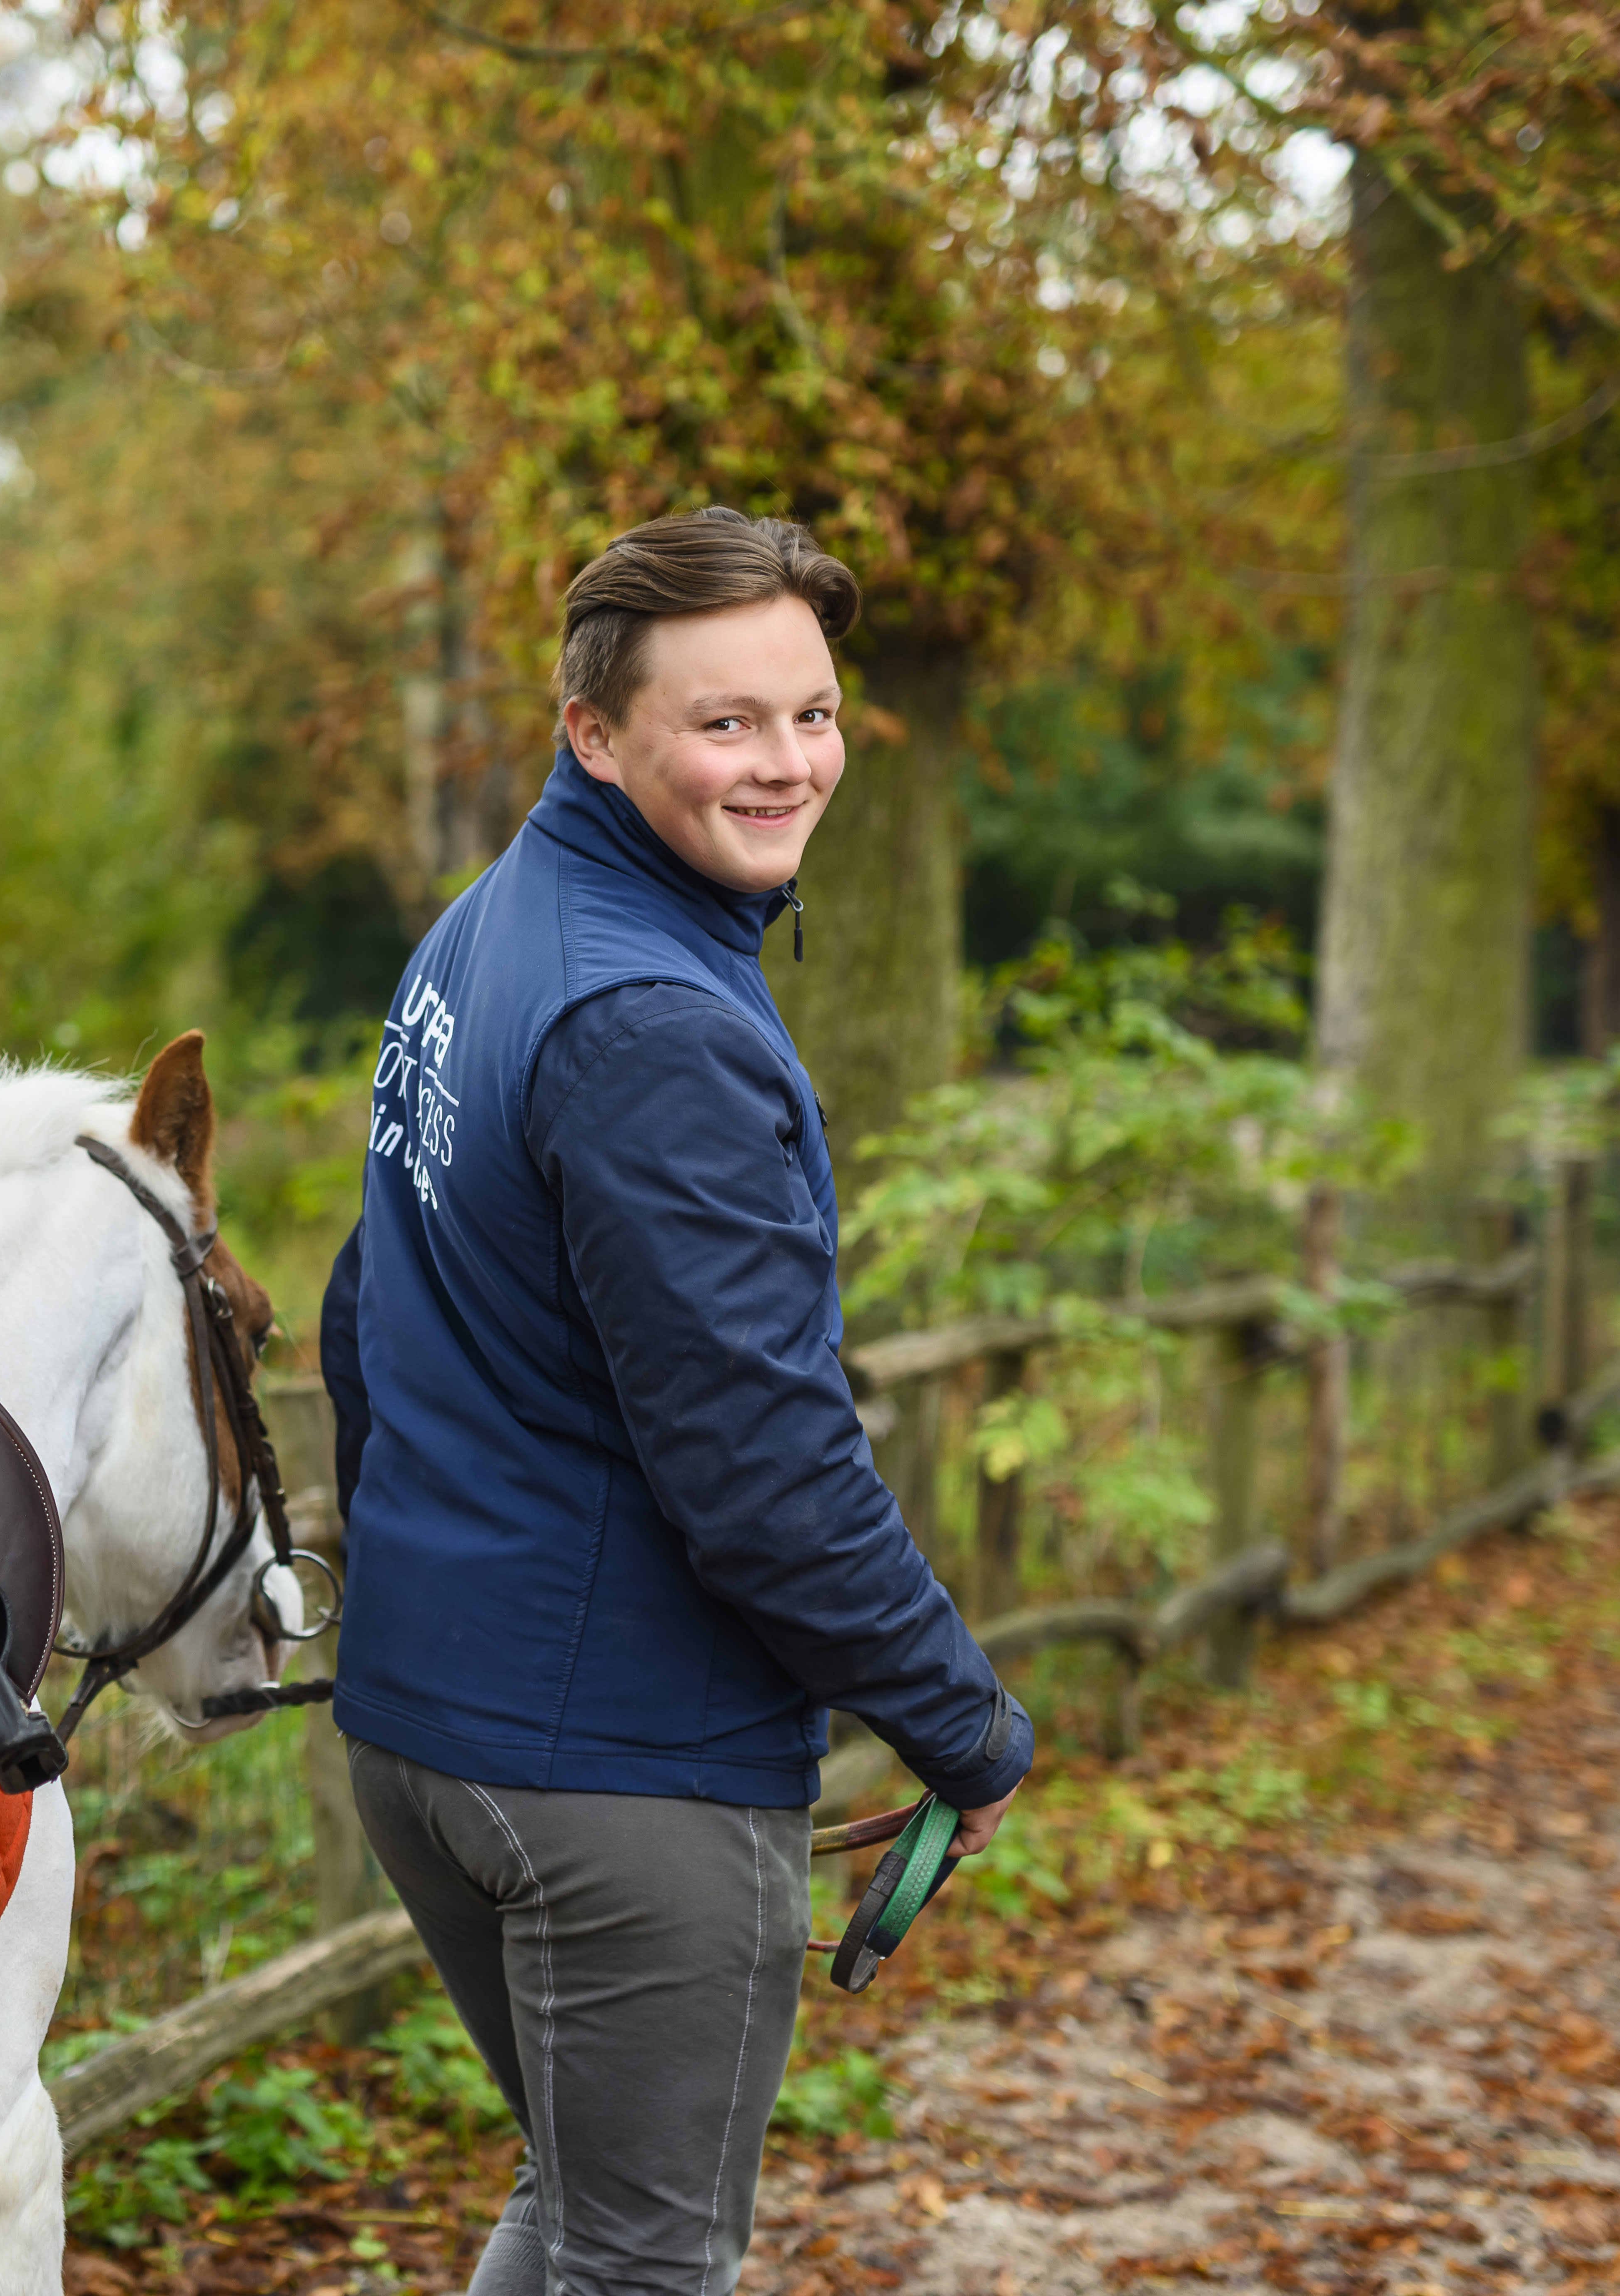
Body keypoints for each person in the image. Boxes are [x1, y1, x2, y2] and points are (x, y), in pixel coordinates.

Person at [318, 507, 1031, 2296]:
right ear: (595, 729)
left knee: (579, 2211)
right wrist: (962, 1722)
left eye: (813, 710)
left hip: (432, 1725)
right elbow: (769, 1476)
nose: (788, 760)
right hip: (612, 1771)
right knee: (647, 2258)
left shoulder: (490, 930)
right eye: (726, 721)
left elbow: (363, 1309)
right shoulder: (654, 1023)